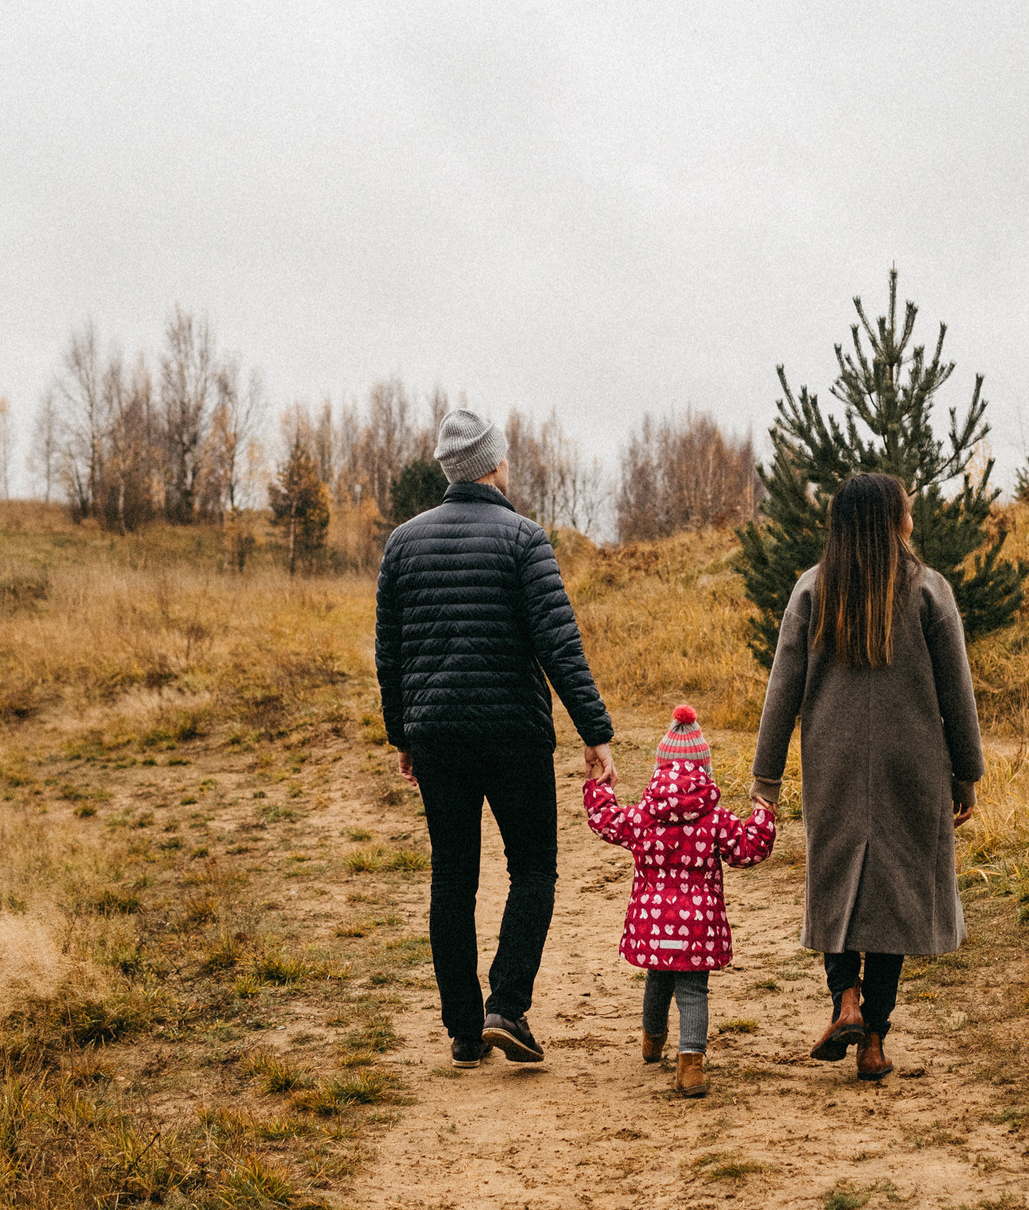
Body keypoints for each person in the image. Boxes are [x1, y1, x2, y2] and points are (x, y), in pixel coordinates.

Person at [376, 408, 616, 1069]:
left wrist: (403, 732)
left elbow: (389, 654)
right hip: (514, 733)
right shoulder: (523, 537)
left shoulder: (403, 543)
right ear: (495, 464)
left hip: (436, 737)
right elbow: (559, 643)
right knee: (533, 867)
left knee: (452, 877)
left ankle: (462, 1030)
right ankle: (505, 1005)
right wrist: (594, 731)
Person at [750, 471, 984, 1082]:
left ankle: (844, 1001)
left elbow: (783, 691)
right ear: (894, 521)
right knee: (895, 895)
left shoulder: (812, 589)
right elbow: (958, 694)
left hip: (834, 762)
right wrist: (967, 774)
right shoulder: (929, 591)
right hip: (913, 765)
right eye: (907, 509)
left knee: (835, 881)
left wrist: (765, 780)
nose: (912, 517)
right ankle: (875, 1039)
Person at [584, 703, 775, 1098]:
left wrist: (598, 786)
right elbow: (748, 850)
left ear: (660, 768)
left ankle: (652, 1039)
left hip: (653, 923)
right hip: (699, 924)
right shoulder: (716, 818)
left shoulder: (643, 816)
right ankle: (690, 1065)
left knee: (657, 977)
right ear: (704, 770)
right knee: (692, 990)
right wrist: (763, 814)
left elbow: (606, 821)